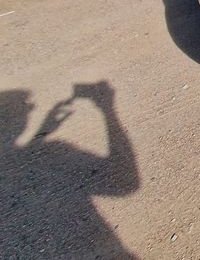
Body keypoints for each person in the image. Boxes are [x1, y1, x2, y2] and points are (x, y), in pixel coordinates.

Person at [0, 82, 139, 258]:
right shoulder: (53, 149)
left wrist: (44, 130)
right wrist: (107, 108)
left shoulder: (16, 164)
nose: (31, 107)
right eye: (26, 107)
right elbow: (128, 185)